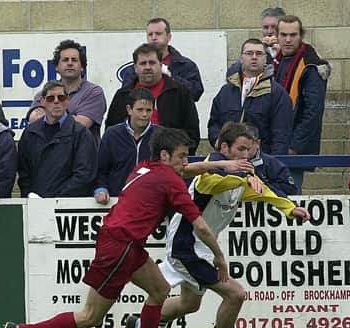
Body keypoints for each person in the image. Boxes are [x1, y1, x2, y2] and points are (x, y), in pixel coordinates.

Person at [0, 127, 230, 328]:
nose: (186, 162)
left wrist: (224, 165)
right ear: (164, 156)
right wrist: (219, 256)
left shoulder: (143, 167)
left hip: (124, 242)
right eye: (182, 156)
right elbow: (202, 228)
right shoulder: (171, 181)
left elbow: (186, 170)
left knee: (160, 290)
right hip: (121, 246)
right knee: (90, 316)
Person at [121, 122, 310, 328]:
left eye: (249, 151)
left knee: (190, 303)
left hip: (198, 246)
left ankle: (139, 325)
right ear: (224, 148)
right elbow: (212, 182)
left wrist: (289, 208)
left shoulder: (242, 176)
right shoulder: (211, 172)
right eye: (240, 149)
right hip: (185, 245)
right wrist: (242, 177)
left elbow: (263, 192)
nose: (246, 156)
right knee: (236, 294)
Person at [95, 88, 253, 204]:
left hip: (154, 202)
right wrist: (101, 189)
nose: (144, 114)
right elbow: (101, 170)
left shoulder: (162, 135)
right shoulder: (112, 134)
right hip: (116, 200)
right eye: (140, 110)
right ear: (129, 110)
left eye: (148, 110)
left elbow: (181, 169)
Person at [106, 44, 200, 155]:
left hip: (168, 161)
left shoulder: (180, 92)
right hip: (129, 161)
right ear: (135, 68)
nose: (147, 67)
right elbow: (111, 131)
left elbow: (192, 131)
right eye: (142, 63)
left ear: (161, 65)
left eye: (152, 62)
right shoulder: (123, 95)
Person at [274, 15, 330, 193]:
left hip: (292, 149)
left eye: (293, 35)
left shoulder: (311, 65)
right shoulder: (276, 61)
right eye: (283, 35)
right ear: (277, 36)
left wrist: (295, 146)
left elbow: (312, 111)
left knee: (290, 197)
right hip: (274, 143)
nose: (288, 40)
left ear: (301, 36)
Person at [208, 38, 292, 155]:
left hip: (261, 161)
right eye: (249, 53)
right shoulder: (226, 91)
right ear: (241, 58)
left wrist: (274, 164)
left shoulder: (277, 93)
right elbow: (214, 123)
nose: (254, 57)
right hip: (227, 162)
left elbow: (281, 133)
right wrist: (218, 141)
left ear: (265, 59)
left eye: (259, 53)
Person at [17, 80, 96, 197]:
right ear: (42, 102)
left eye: (61, 97)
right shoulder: (30, 132)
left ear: (67, 100)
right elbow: (24, 173)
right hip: (36, 204)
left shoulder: (81, 133)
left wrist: (58, 199)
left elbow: (84, 174)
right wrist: (30, 196)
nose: (56, 101)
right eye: (50, 98)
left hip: (67, 207)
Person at [28, 40, 106, 145]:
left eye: (74, 60)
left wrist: (50, 115)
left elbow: (81, 125)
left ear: (82, 67)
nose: (70, 63)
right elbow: (34, 120)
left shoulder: (93, 92)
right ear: (56, 67)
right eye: (65, 60)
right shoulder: (43, 93)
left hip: (82, 156)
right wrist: (71, 116)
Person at [121, 18, 203, 102]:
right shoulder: (134, 68)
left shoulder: (185, 65)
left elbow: (196, 93)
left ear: (169, 37)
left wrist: (172, 76)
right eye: (150, 34)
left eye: (158, 34)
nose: (153, 37)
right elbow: (124, 97)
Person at [226, 7, 286, 76]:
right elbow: (231, 74)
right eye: (266, 27)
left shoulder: (290, 50)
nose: (269, 32)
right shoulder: (258, 49)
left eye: (274, 27)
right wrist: (260, 49)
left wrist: (281, 55)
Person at [246, 123, 296, 197]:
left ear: (257, 143)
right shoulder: (228, 163)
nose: (243, 154)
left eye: (247, 149)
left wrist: (262, 186)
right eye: (239, 149)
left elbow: (290, 190)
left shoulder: (273, 164)